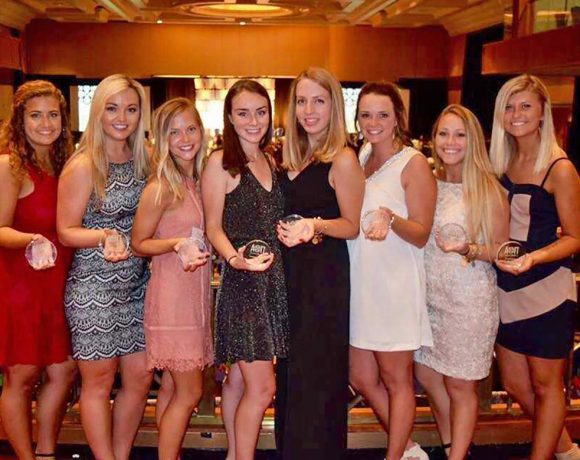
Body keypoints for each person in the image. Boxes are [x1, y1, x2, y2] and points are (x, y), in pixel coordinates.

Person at [57, 74, 153, 460]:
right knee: (98, 382)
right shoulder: (84, 164)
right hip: (93, 290)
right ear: (98, 111)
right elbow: (65, 231)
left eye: (130, 109)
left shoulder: (145, 159)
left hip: (138, 287)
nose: (121, 118)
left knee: (140, 378)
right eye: (112, 108)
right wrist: (104, 235)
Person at [275, 67, 364, 460]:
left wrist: (316, 225)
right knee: (292, 376)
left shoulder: (343, 158)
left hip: (323, 282)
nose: (308, 110)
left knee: (318, 379)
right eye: (301, 101)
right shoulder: (288, 156)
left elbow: (352, 225)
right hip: (290, 277)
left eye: (318, 101)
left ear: (334, 107)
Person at [490, 74, 580, 460]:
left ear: (543, 112)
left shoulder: (560, 169)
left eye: (526, 106)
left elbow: (575, 237)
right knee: (514, 384)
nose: (517, 114)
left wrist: (534, 257)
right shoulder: (501, 162)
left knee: (547, 386)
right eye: (509, 107)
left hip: (548, 292)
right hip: (505, 290)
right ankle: (567, 451)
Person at [414, 104, 509, 459]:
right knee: (426, 374)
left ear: (474, 141)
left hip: (469, 301)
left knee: (460, 385)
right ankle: (455, 446)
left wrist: (468, 248)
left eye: (459, 135)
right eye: (443, 133)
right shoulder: (428, 183)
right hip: (429, 298)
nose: (450, 142)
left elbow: (502, 251)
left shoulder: (488, 189)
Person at [347, 82, 435, 460]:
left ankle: (394, 454)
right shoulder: (362, 154)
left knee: (397, 379)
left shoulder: (413, 163)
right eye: (366, 114)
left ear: (397, 117)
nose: (373, 122)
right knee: (360, 375)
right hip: (361, 283)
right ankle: (409, 449)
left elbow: (422, 233)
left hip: (394, 287)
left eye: (382, 114)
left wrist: (391, 217)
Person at [201, 79, 288, 460]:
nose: (254, 121)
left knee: (238, 379)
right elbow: (212, 227)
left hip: (273, 286)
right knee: (263, 387)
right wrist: (235, 259)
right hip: (243, 287)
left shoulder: (273, 160)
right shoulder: (220, 162)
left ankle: (235, 454)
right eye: (243, 113)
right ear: (230, 118)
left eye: (261, 112)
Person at [132, 98, 213, 459]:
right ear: (162, 139)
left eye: (190, 129)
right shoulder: (161, 186)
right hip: (172, 301)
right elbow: (138, 243)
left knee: (171, 389)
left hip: (194, 298)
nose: (184, 138)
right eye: (174, 132)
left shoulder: (195, 180)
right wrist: (175, 243)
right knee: (190, 391)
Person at [0, 80, 77, 460]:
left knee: (64, 371)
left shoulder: (66, 165)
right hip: (22, 286)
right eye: (35, 115)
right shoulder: (9, 167)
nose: (45, 123)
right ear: (20, 120)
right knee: (22, 375)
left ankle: (46, 452)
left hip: (59, 284)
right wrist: (31, 239)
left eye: (52, 115)